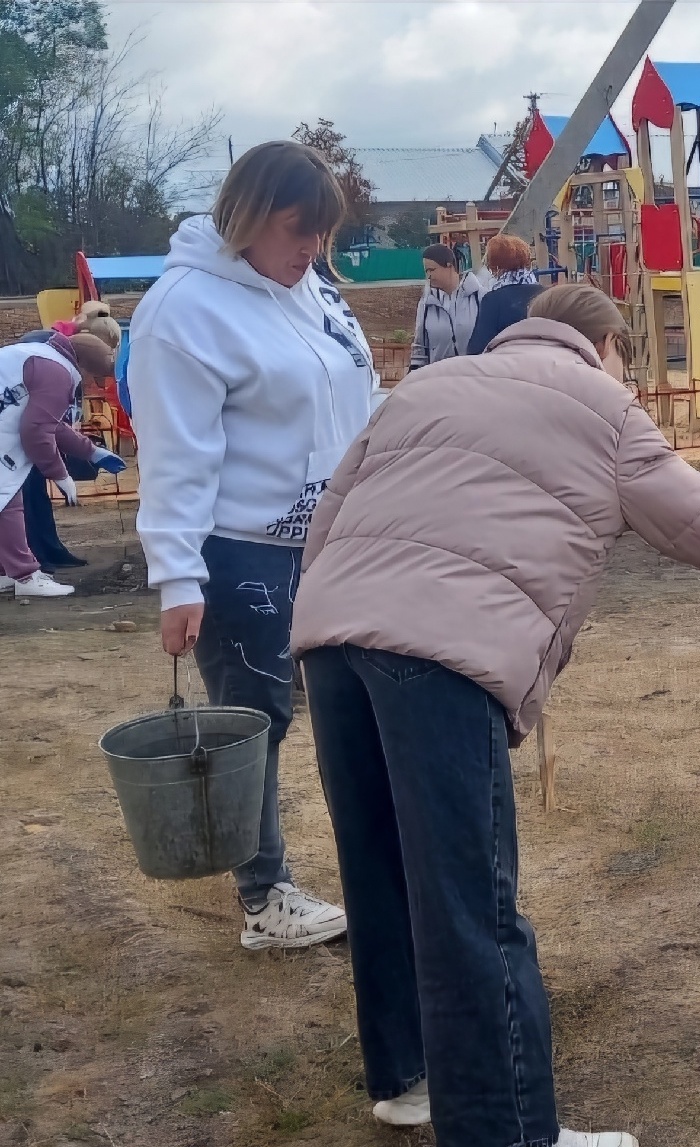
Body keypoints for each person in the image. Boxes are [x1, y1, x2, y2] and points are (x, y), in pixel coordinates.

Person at [292, 283, 700, 1146]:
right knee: (469, 906)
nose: (630, 379)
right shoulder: (603, 409)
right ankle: (512, 1129)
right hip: (439, 657)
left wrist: (319, 618)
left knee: (379, 872)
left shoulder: (426, 385)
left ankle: (407, 1076)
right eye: (626, 361)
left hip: (334, 636)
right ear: (601, 344)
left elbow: (333, 513)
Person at [132, 139, 373, 950]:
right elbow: (176, 454)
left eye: (320, 233)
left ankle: (364, 858)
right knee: (254, 720)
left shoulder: (309, 291)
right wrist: (177, 577)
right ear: (243, 217)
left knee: (346, 697)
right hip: (242, 549)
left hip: (330, 539)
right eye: (295, 228)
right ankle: (263, 896)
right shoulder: (184, 311)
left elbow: (354, 396)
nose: (310, 249)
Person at [0, 332, 124, 597]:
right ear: (86, 368)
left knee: (7, 501)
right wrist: (60, 474)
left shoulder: (41, 357)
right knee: (8, 501)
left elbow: (50, 423)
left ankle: (8, 572)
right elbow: (36, 431)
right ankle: (25, 576)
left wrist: (92, 452)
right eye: (96, 379)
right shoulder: (58, 373)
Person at [409, 243, 483, 368]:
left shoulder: (479, 297)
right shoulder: (426, 303)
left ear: (449, 266)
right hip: (439, 380)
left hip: (475, 378)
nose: (428, 276)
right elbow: (420, 347)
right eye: (426, 271)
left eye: (432, 270)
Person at [466, 235, 544, 354]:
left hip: (509, 367)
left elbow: (478, 348)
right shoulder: (547, 294)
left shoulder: (493, 300)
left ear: (495, 266)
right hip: (545, 365)